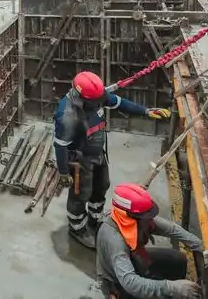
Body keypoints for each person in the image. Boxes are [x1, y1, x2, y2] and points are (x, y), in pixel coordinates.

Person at [54, 72, 171, 248]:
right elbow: (60, 146)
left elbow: (120, 103)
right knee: (80, 194)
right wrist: (63, 172)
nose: (99, 103)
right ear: (81, 98)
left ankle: (95, 219)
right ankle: (77, 228)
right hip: (79, 161)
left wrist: (146, 111)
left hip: (97, 152)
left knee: (102, 185)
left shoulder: (96, 96)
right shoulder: (67, 115)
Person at [96, 183, 203, 299]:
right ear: (131, 217)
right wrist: (171, 287)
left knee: (178, 260)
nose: (151, 220)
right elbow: (130, 282)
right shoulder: (115, 241)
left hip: (135, 258)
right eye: (147, 217)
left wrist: (201, 246)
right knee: (159, 292)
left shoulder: (134, 221)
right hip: (117, 282)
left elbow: (171, 229)